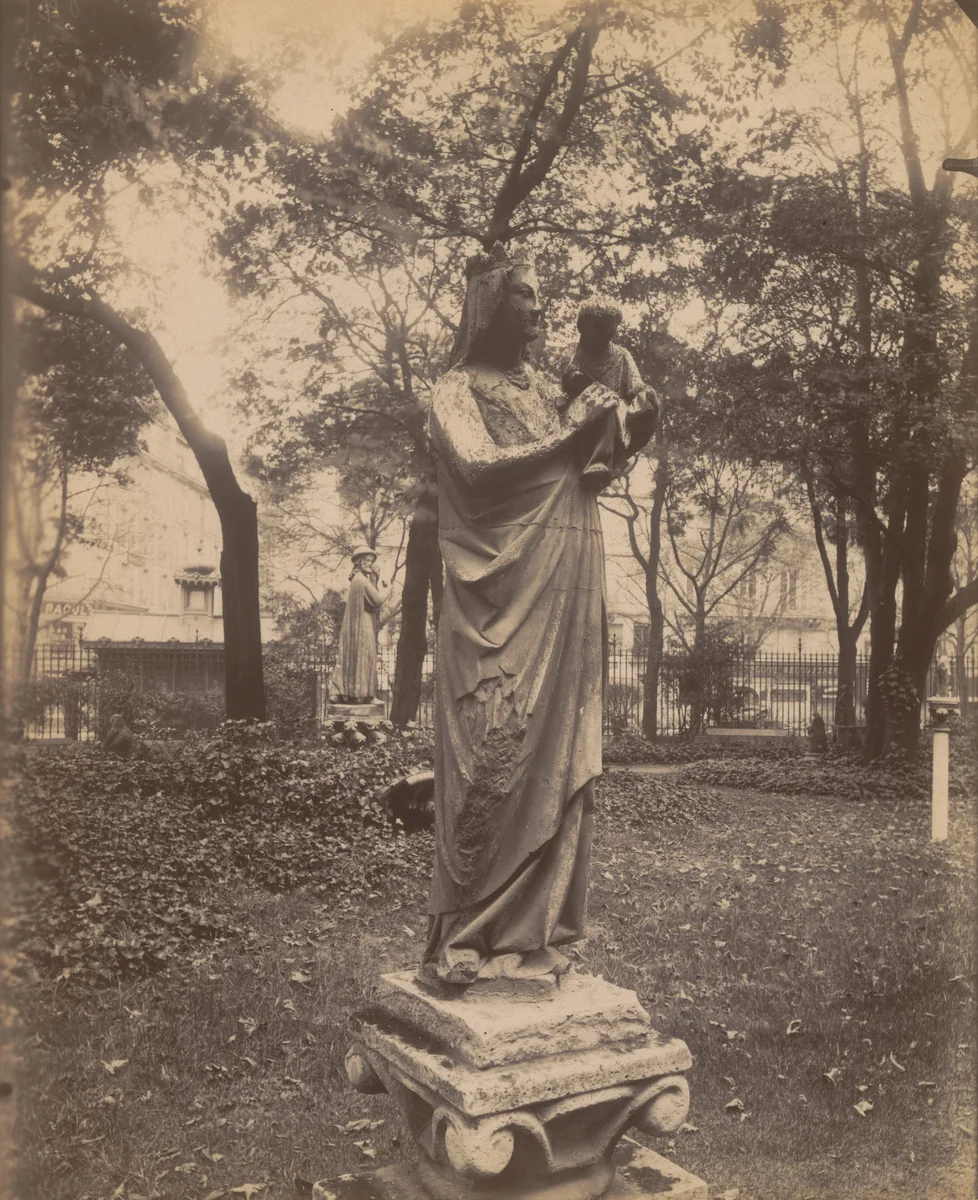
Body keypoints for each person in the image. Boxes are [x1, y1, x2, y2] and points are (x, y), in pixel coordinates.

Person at [422, 243, 656, 986]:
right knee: (495, 744)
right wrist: (572, 433)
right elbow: (476, 465)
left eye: (536, 295)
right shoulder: (455, 388)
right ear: (489, 305)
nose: (537, 307)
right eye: (522, 294)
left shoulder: (545, 390)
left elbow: (594, 456)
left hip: (566, 578)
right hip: (497, 602)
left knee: (555, 751)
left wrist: (631, 420)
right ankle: (465, 932)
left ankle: (532, 933)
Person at [559, 297, 651, 487]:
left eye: (611, 328)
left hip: (615, 413)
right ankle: (597, 462)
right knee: (603, 401)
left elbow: (636, 386)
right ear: (583, 327)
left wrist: (643, 396)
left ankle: (604, 462)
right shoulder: (572, 353)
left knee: (613, 403)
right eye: (598, 327)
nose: (606, 333)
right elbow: (561, 383)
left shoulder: (622, 355)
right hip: (580, 414)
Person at [329, 546, 388, 703]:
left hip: (360, 623)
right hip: (362, 623)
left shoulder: (359, 580)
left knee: (361, 656)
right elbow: (377, 600)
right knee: (367, 656)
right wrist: (390, 589)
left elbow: (370, 603)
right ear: (359, 562)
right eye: (367, 560)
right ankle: (366, 696)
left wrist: (374, 579)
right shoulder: (361, 580)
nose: (370, 563)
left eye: (371, 561)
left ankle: (358, 695)